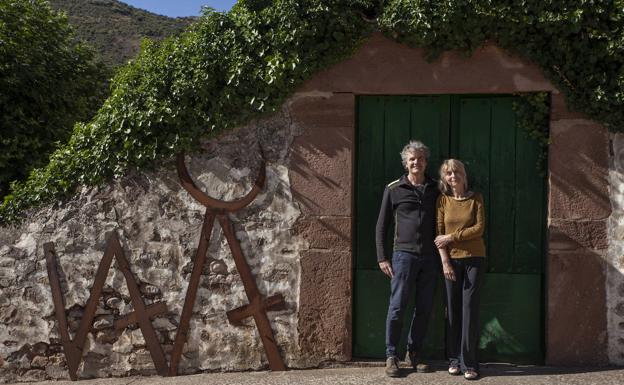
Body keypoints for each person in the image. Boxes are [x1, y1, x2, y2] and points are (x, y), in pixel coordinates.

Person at [375, 140, 440, 377]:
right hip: (403, 255)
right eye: (412, 159)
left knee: (424, 307)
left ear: (426, 162)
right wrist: (383, 257)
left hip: (430, 257)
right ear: (406, 163)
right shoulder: (394, 189)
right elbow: (381, 226)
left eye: (420, 158)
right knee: (397, 306)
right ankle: (391, 355)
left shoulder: (435, 188)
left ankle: (414, 353)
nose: (416, 162)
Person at [434, 159, 486, 381]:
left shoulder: (476, 199)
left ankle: (470, 363)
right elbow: (438, 235)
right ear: (445, 178)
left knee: (469, 310)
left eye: (456, 172)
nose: (453, 176)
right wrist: (445, 261)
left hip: (474, 259)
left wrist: (452, 237)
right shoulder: (442, 201)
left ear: (463, 175)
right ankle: (454, 359)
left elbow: (479, 228)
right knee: (453, 311)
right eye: (448, 173)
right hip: (451, 262)